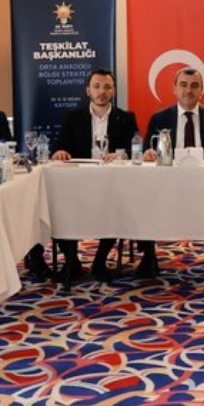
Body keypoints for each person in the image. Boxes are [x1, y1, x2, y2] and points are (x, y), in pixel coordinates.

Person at [51, 68, 156, 280]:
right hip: (79, 185)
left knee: (121, 206)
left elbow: (135, 149)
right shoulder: (73, 118)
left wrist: (121, 154)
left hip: (113, 186)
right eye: (97, 87)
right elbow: (60, 147)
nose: (102, 92)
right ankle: (72, 262)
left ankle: (100, 261)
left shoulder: (125, 118)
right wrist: (60, 152)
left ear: (113, 91)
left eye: (107, 87)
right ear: (88, 90)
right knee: (58, 208)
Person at [144, 67, 204, 159]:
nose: (189, 91)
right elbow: (147, 151)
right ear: (175, 89)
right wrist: (149, 154)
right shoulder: (159, 119)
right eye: (183, 85)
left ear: (201, 90)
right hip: (170, 168)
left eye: (194, 86)